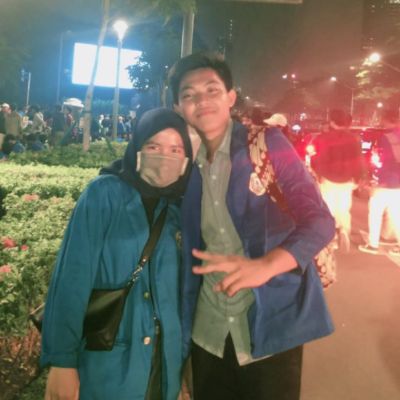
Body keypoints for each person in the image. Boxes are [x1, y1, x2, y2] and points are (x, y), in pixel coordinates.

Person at [168, 52, 335, 400]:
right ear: (179, 107)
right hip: (208, 333)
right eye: (189, 94)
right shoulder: (184, 166)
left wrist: (266, 265)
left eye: (212, 90)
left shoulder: (267, 144)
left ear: (231, 97)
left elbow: (320, 221)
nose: (202, 100)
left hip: (271, 327)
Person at [40, 108, 193, 400]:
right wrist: (62, 361)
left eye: (176, 149)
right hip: (108, 367)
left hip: (165, 367)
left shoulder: (180, 209)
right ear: (137, 149)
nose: (165, 157)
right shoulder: (104, 194)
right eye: (154, 147)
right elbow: (72, 279)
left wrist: (182, 368)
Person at [311, 109, 365, 251]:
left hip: (328, 178)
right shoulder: (354, 139)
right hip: (347, 180)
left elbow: (319, 158)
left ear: (332, 122)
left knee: (329, 209)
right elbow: (359, 159)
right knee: (344, 208)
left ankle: (332, 237)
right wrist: (358, 178)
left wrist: (318, 174)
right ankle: (344, 230)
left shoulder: (324, 138)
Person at [359, 109, 400, 256]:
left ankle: (373, 244)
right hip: (398, 184)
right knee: (397, 216)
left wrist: (377, 181)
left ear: (386, 120)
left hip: (386, 183)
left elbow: (383, 162)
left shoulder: (386, 138)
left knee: (375, 213)